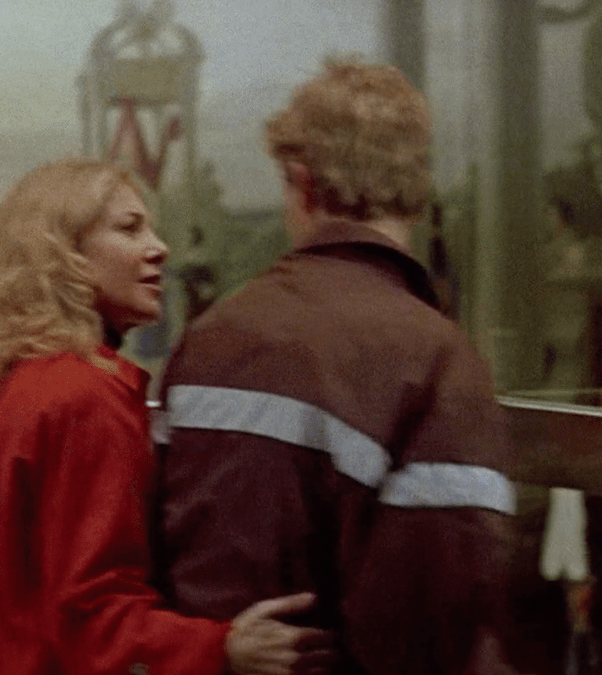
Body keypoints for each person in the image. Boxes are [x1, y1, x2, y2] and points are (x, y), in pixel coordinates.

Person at [152, 58, 517, 675]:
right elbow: (442, 602)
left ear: (302, 183)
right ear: (414, 189)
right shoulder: (438, 358)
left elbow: (153, 546)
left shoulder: (210, 336)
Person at [0, 158, 333, 675]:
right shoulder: (85, 398)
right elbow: (92, 613)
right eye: (129, 229)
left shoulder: (16, 384)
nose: (159, 248)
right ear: (65, 254)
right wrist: (221, 647)